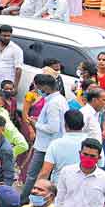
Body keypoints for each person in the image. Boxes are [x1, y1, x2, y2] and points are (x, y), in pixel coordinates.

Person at [21, 72, 68, 200]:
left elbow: (53, 127)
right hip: (50, 143)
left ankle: (24, 201)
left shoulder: (54, 103)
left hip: (45, 146)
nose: (36, 90)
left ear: (45, 88)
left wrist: (36, 124)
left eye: (37, 87)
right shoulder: (59, 100)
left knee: (33, 175)